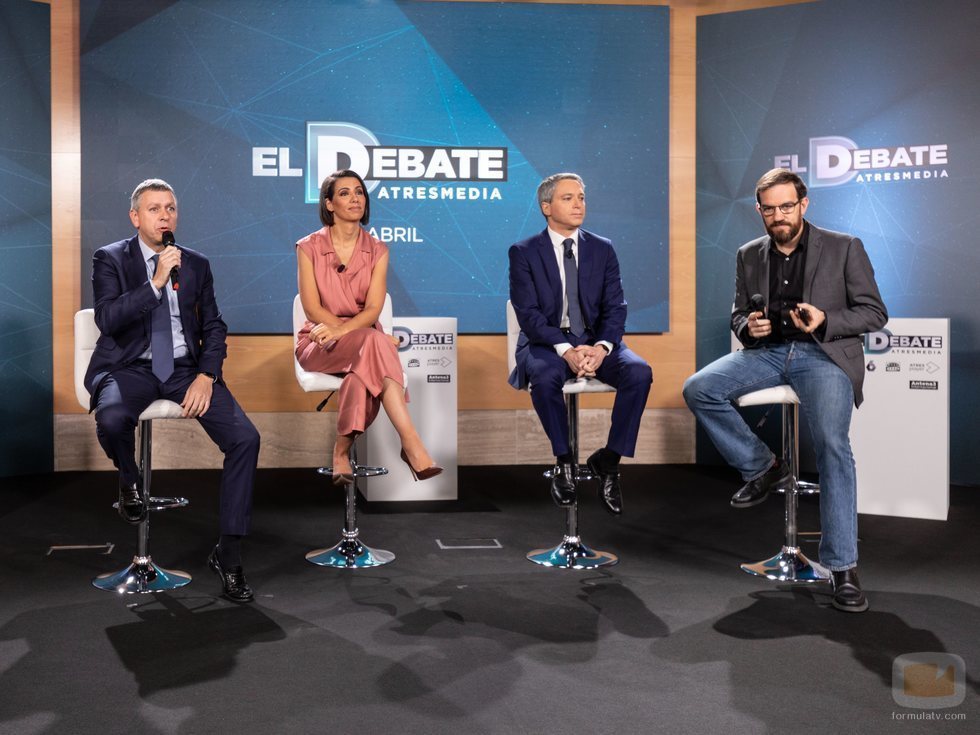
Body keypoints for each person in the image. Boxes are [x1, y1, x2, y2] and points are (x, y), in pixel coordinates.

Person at [683, 168, 887, 613]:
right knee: (699, 388)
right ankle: (762, 465)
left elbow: (874, 313)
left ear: (804, 204)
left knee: (833, 447)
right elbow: (738, 314)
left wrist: (826, 320)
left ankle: (843, 568)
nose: (779, 215)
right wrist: (747, 327)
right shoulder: (748, 254)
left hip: (824, 354)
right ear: (759, 210)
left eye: (787, 206)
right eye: (770, 208)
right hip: (767, 354)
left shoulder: (843, 247)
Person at [85, 178, 261, 602]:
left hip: (185, 370)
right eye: (154, 209)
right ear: (135, 217)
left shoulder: (196, 263)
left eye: (170, 208)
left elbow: (214, 325)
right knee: (111, 418)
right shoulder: (110, 259)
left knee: (245, 439)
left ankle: (230, 553)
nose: (164, 216)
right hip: (131, 368)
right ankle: (129, 481)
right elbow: (107, 319)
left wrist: (207, 374)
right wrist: (155, 283)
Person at [508, 172, 653, 515]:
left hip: (595, 342)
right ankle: (564, 462)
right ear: (546, 207)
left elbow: (616, 307)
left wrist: (601, 348)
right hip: (548, 343)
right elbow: (527, 315)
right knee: (544, 377)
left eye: (581, 198)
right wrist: (566, 350)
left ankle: (609, 460)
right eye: (568, 198)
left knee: (639, 372)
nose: (578, 204)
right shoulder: (524, 252)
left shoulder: (602, 248)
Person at [295, 169, 441, 485]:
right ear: (329, 204)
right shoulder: (307, 247)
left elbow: (374, 307)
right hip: (319, 341)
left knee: (359, 377)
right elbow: (312, 308)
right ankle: (411, 442)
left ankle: (341, 452)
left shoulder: (378, 249)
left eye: (359, 192)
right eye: (345, 193)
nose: (355, 198)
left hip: (359, 343)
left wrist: (352, 332)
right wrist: (344, 331)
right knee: (377, 343)